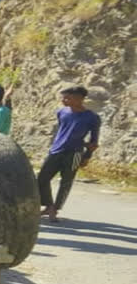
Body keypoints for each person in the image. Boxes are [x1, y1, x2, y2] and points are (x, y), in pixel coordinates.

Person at [37, 86, 101, 222]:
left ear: (80, 99)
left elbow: (94, 141)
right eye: (63, 97)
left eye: (67, 98)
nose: (63, 100)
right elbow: (62, 131)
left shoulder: (92, 117)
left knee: (66, 182)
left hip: (74, 153)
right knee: (42, 178)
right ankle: (48, 205)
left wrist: (87, 156)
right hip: (55, 150)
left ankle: (55, 208)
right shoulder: (61, 112)